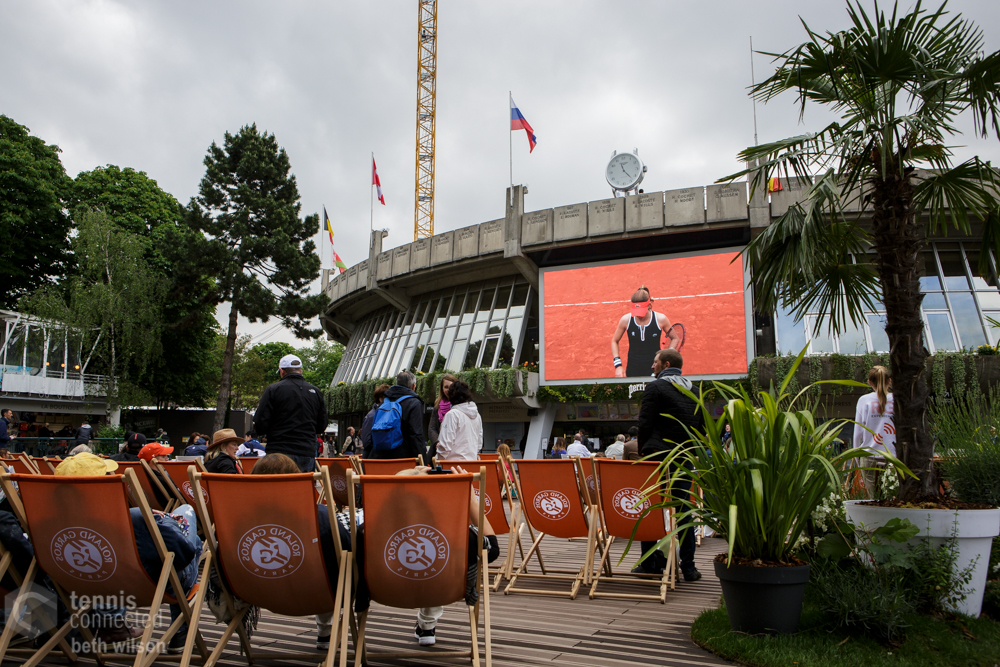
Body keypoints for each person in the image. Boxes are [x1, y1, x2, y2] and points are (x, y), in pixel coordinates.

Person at [55, 453, 202, 654]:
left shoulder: (50, 524)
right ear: (101, 486)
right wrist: (159, 522)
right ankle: (180, 630)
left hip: (84, 584)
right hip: (143, 586)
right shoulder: (134, 519)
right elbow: (183, 555)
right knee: (189, 522)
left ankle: (111, 624)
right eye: (109, 475)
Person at [250, 452, 353, 649]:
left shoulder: (240, 522)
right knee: (332, 561)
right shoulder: (319, 516)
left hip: (259, 590)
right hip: (315, 591)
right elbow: (345, 549)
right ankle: (326, 631)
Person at [392, 466, 499, 647]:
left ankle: (426, 626)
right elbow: (492, 550)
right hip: (444, 585)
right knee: (438, 556)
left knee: (429, 557)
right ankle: (427, 624)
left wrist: (407, 477)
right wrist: (471, 501)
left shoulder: (367, 529)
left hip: (387, 588)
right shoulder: (459, 536)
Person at [636, 348, 703, 582]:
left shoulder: (655, 387)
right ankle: (689, 567)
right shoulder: (694, 390)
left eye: (655, 362)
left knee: (650, 508)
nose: (652, 366)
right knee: (684, 510)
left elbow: (645, 423)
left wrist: (643, 450)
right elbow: (700, 427)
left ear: (666, 364)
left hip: (658, 456)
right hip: (683, 458)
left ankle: (649, 563)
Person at [253, 354, 327, 473]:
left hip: (279, 450)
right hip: (306, 450)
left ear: (282, 371)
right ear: (301, 371)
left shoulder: (273, 390)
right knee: (303, 484)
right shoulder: (315, 392)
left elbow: (260, 423)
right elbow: (321, 425)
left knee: (280, 484)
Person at [610, 286, 682, 378]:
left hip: (655, 366)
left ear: (649, 305)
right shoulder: (626, 320)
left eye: (641, 311)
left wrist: (669, 354)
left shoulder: (661, 319)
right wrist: (618, 365)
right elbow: (614, 341)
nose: (638, 315)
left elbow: (675, 338)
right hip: (633, 367)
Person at [853, 365, 895, 498]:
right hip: (893, 457)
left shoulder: (864, 400)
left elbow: (858, 433)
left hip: (869, 455)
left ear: (870, 382)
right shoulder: (897, 399)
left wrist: (857, 457)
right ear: (889, 380)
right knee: (893, 498)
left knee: (874, 499)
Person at [371, 371, 427, 464]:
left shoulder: (384, 402)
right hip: (404, 459)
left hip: (381, 458)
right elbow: (416, 434)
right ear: (413, 386)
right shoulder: (414, 403)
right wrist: (422, 461)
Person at [436, 380, 482, 461]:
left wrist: (439, 458)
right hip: (472, 462)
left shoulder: (452, 415)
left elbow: (445, 444)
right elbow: (479, 443)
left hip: (453, 464)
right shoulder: (477, 415)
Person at [427, 373, 458, 463]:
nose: (448, 390)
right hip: (438, 451)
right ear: (442, 389)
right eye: (446, 387)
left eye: (451, 386)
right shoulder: (437, 406)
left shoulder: (460, 406)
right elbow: (432, 428)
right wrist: (437, 443)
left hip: (456, 451)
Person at [360, 384, 391, 458]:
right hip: (372, 459)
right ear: (381, 399)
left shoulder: (379, 414)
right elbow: (367, 442)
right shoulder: (371, 416)